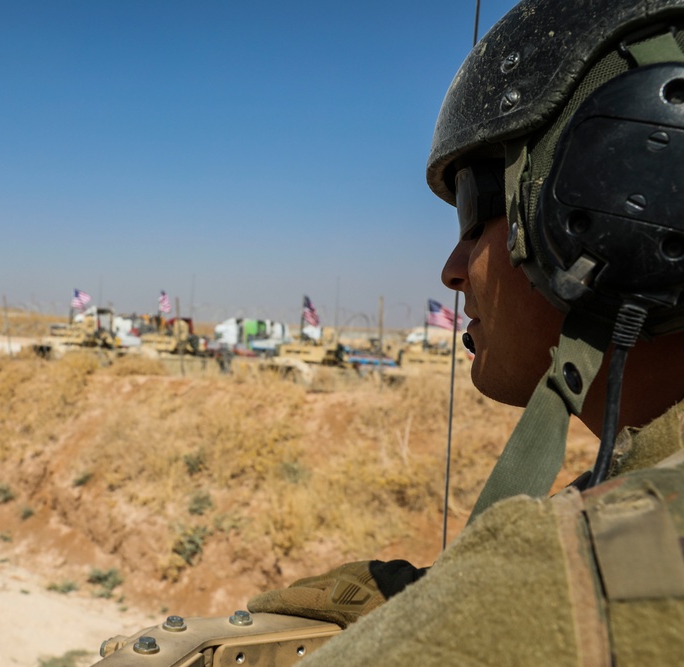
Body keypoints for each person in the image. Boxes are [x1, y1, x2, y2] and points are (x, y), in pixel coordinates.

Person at [247, 0, 684, 663]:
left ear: (631, 194)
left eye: (475, 211)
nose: (452, 271)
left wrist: (465, 610)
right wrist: (426, 593)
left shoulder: (587, 579)